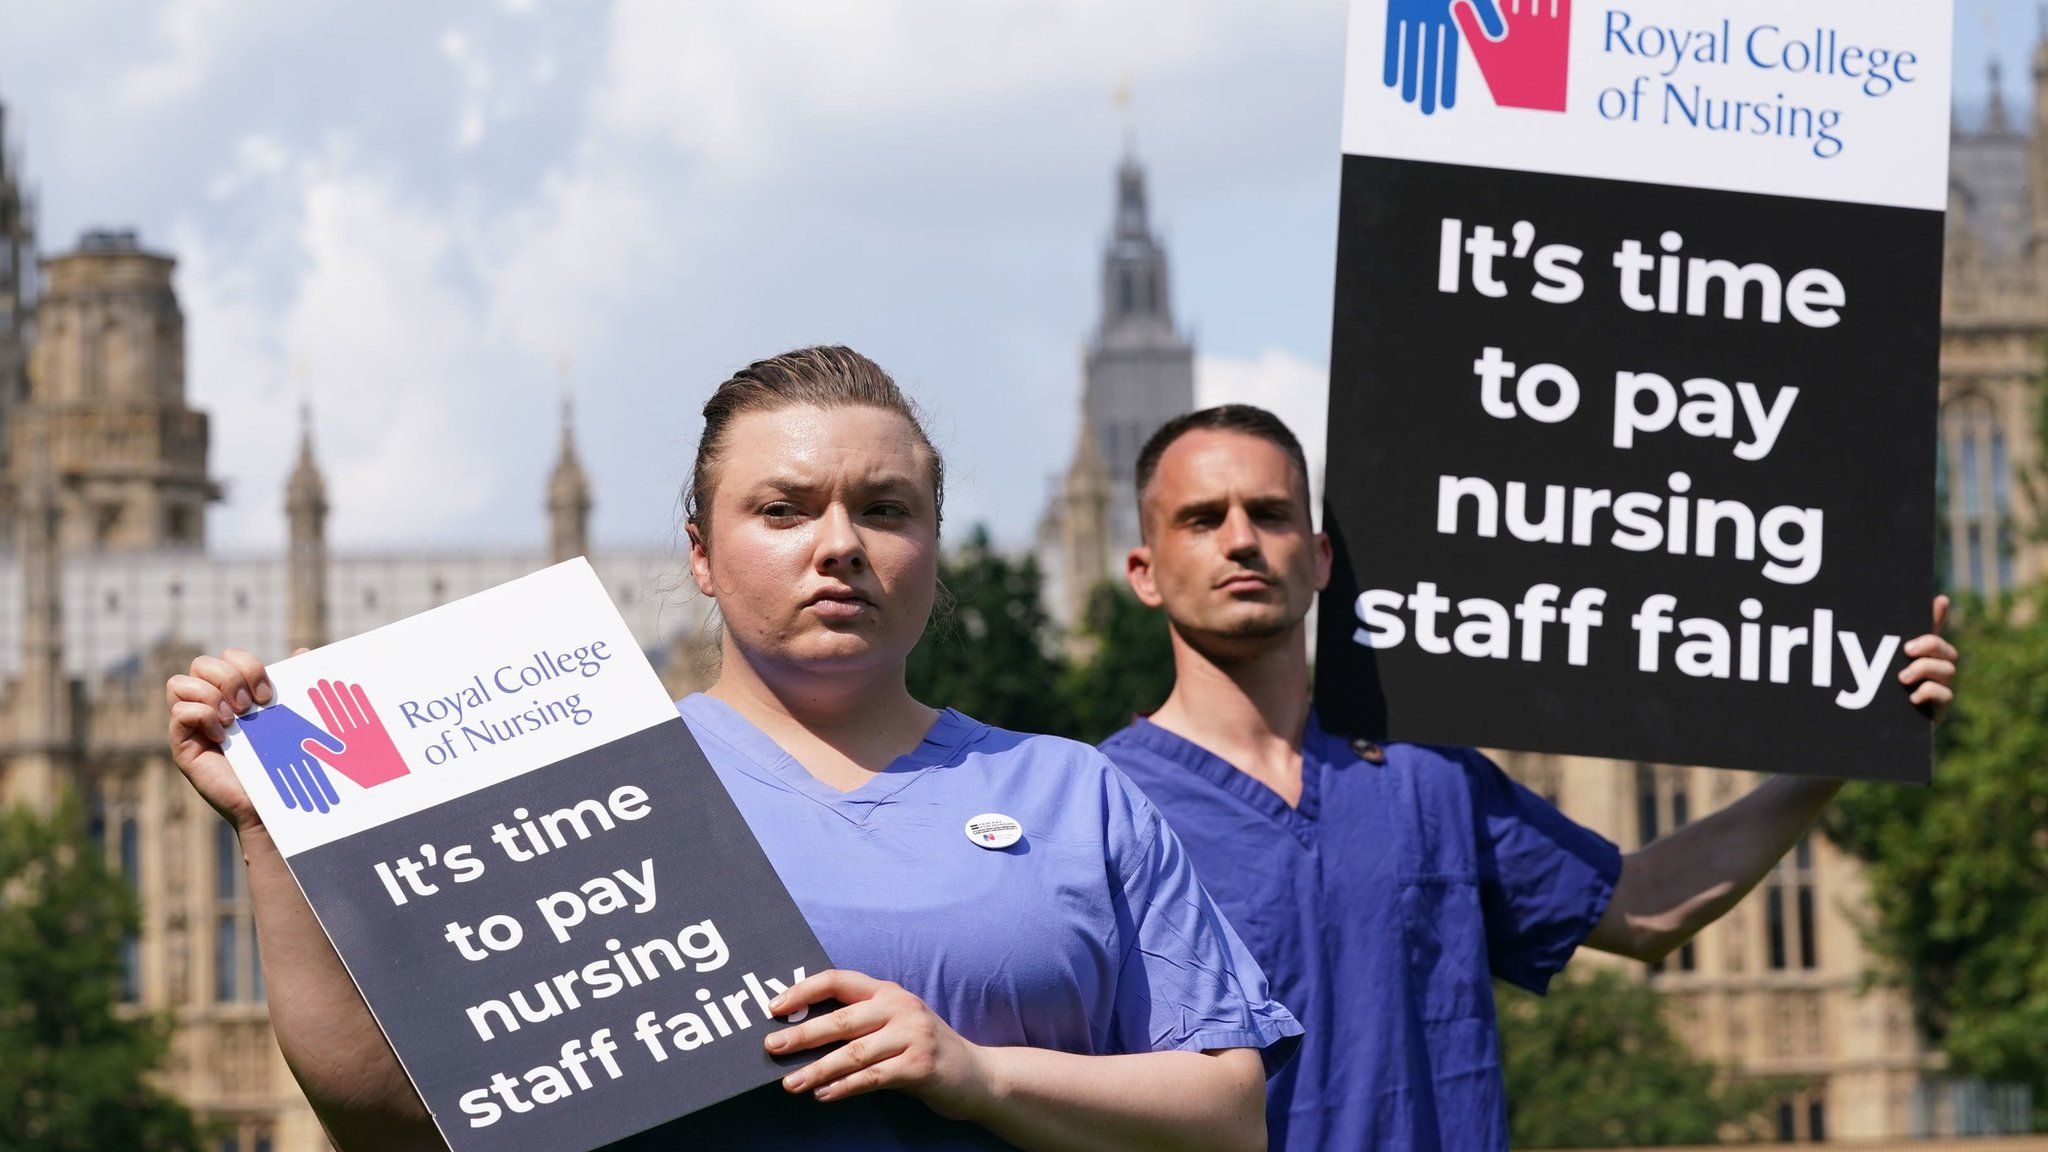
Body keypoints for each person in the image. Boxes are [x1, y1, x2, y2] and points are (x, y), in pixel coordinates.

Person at [164, 349, 1300, 1152]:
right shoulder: (585, 784)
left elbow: (1227, 1116)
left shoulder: (1071, 794)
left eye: (886, 509)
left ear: (935, 546)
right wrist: (271, 826)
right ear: (701, 555)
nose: (840, 546)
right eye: (785, 510)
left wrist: (978, 1073)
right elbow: (394, 1122)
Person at [1096, 404, 1959, 1152]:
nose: (1243, 538)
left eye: (1272, 513)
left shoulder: (1428, 775)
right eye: (1204, 519)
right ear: (1144, 570)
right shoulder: (1101, 806)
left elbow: (1645, 907)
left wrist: (1845, 746)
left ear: (1321, 556)